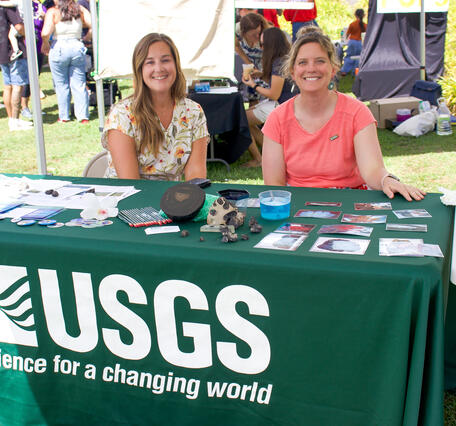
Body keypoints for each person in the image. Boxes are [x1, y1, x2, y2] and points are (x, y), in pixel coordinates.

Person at [262, 27, 425, 202]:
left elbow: (372, 170)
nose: (311, 68)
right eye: (302, 62)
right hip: (297, 206)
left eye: (320, 61)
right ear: (293, 72)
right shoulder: (277, 119)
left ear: (333, 69)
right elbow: (274, 185)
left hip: (351, 204)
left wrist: (387, 179)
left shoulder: (357, 112)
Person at [101, 33, 209, 181]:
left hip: (174, 199)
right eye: (150, 62)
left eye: (165, 60)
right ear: (140, 69)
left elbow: (196, 179)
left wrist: (188, 201)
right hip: (127, 199)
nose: (159, 68)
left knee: (230, 204)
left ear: (176, 65)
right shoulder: (122, 114)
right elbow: (130, 183)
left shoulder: (194, 112)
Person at [241, 27, 292, 168]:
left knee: (242, 119)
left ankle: (259, 158)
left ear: (271, 44)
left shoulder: (278, 62)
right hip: (285, 103)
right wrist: (261, 75)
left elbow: (274, 93)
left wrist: (253, 84)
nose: (261, 47)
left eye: (263, 44)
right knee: (245, 115)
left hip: (283, 105)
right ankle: (272, 155)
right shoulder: (283, 58)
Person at [41, 0, 91, 123]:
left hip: (59, 47)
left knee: (61, 84)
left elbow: (45, 32)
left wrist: (46, 43)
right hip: (77, 45)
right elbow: (93, 25)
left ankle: (64, 116)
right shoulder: (80, 9)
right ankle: (83, 116)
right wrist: (87, 38)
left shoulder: (53, 12)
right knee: (79, 83)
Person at [0, 2, 33, 131]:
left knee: (7, 86)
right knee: (17, 86)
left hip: (2, 51)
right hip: (14, 52)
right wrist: (29, 33)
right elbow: (19, 27)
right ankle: (15, 120)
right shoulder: (10, 8)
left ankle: (11, 120)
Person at [340, 9, 366, 76]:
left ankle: (344, 71)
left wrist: (345, 39)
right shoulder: (365, 25)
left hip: (352, 42)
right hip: (360, 42)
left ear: (355, 15)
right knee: (358, 57)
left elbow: (348, 34)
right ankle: (355, 72)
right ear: (364, 15)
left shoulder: (352, 24)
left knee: (349, 56)